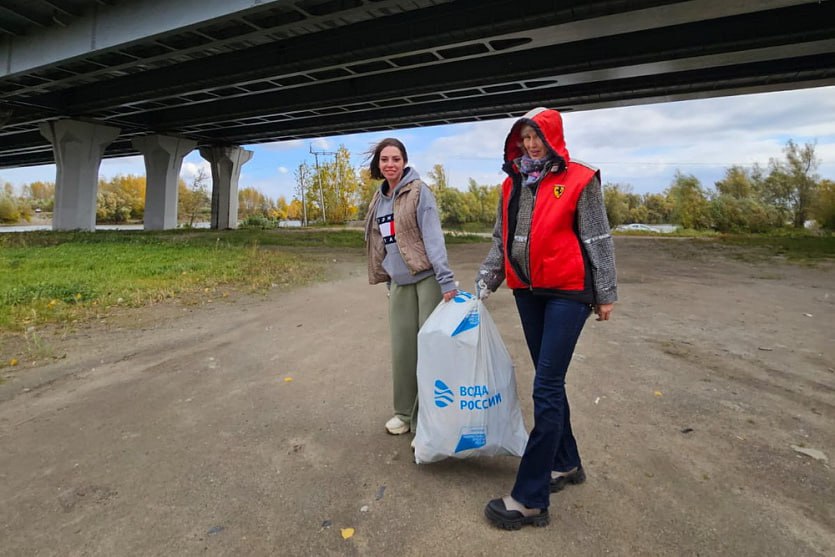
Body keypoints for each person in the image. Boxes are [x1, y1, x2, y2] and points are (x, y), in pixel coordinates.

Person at [476, 107, 617, 529]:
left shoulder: (579, 178)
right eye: (525, 137)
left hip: (568, 292)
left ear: (553, 137)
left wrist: (606, 292)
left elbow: (598, 237)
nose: (531, 144)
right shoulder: (511, 183)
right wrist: (485, 281)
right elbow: (502, 238)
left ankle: (530, 497)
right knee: (548, 379)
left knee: (547, 386)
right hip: (528, 291)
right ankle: (567, 463)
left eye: (538, 136)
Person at [364, 138, 458, 436]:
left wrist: (445, 279)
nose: (390, 164)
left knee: (429, 350)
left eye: (395, 158)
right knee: (403, 352)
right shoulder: (379, 199)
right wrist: (387, 276)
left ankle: (428, 420)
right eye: (384, 159)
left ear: (404, 161)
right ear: (378, 165)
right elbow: (382, 243)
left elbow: (433, 237)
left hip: (427, 280)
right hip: (400, 284)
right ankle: (404, 413)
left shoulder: (419, 192)